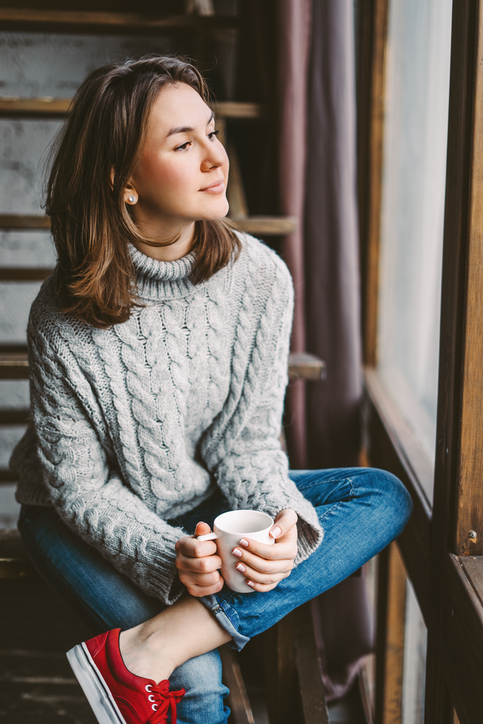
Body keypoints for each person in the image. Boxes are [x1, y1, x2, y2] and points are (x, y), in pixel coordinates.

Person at [11, 55, 413, 724]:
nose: (213, 158)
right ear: (123, 180)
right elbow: (77, 488)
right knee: (198, 677)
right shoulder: (62, 318)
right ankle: (172, 649)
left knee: (380, 496)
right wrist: (171, 557)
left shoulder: (259, 278)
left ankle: (149, 645)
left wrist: (279, 524)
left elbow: (246, 442)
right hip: (77, 519)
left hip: (205, 500)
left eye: (212, 132)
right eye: (181, 143)